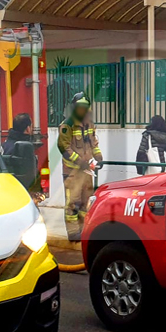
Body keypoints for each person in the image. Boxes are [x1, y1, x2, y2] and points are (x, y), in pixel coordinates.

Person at [57, 93, 102, 241]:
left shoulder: (89, 123)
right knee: (72, 203)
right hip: (72, 172)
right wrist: (79, 162)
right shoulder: (67, 125)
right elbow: (64, 147)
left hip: (87, 171)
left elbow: (93, 142)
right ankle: (73, 233)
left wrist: (98, 156)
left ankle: (84, 231)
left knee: (86, 202)